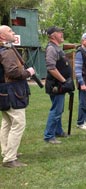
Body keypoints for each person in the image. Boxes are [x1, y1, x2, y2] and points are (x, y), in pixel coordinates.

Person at [0, 25, 35, 168]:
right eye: (9, 31)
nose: (13, 32)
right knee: (18, 123)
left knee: (7, 123)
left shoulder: (5, 50)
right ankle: (9, 159)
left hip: (4, 91)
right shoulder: (7, 52)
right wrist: (29, 73)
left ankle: (6, 151)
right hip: (12, 92)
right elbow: (13, 72)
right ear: (1, 37)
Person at [44, 26, 75, 144]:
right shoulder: (51, 49)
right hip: (56, 85)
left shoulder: (57, 48)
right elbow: (51, 68)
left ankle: (58, 131)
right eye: (59, 32)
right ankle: (49, 135)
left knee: (59, 109)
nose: (62, 34)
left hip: (60, 84)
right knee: (56, 110)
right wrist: (64, 81)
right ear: (52, 35)